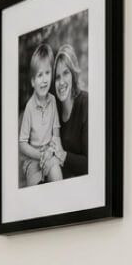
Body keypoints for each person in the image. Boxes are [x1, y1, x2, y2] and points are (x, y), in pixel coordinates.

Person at [19, 43, 63, 186]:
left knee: (58, 179)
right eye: (39, 75)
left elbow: (56, 133)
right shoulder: (29, 108)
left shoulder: (53, 101)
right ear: (33, 81)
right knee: (34, 188)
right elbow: (22, 144)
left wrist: (50, 151)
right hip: (33, 158)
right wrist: (39, 155)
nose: (44, 80)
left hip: (49, 153)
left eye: (47, 73)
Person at [53, 45, 89, 178]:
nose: (61, 82)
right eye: (57, 77)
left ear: (73, 74)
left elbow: (91, 164)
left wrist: (63, 155)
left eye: (65, 73)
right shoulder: (54, 108)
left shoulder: (85, 104)